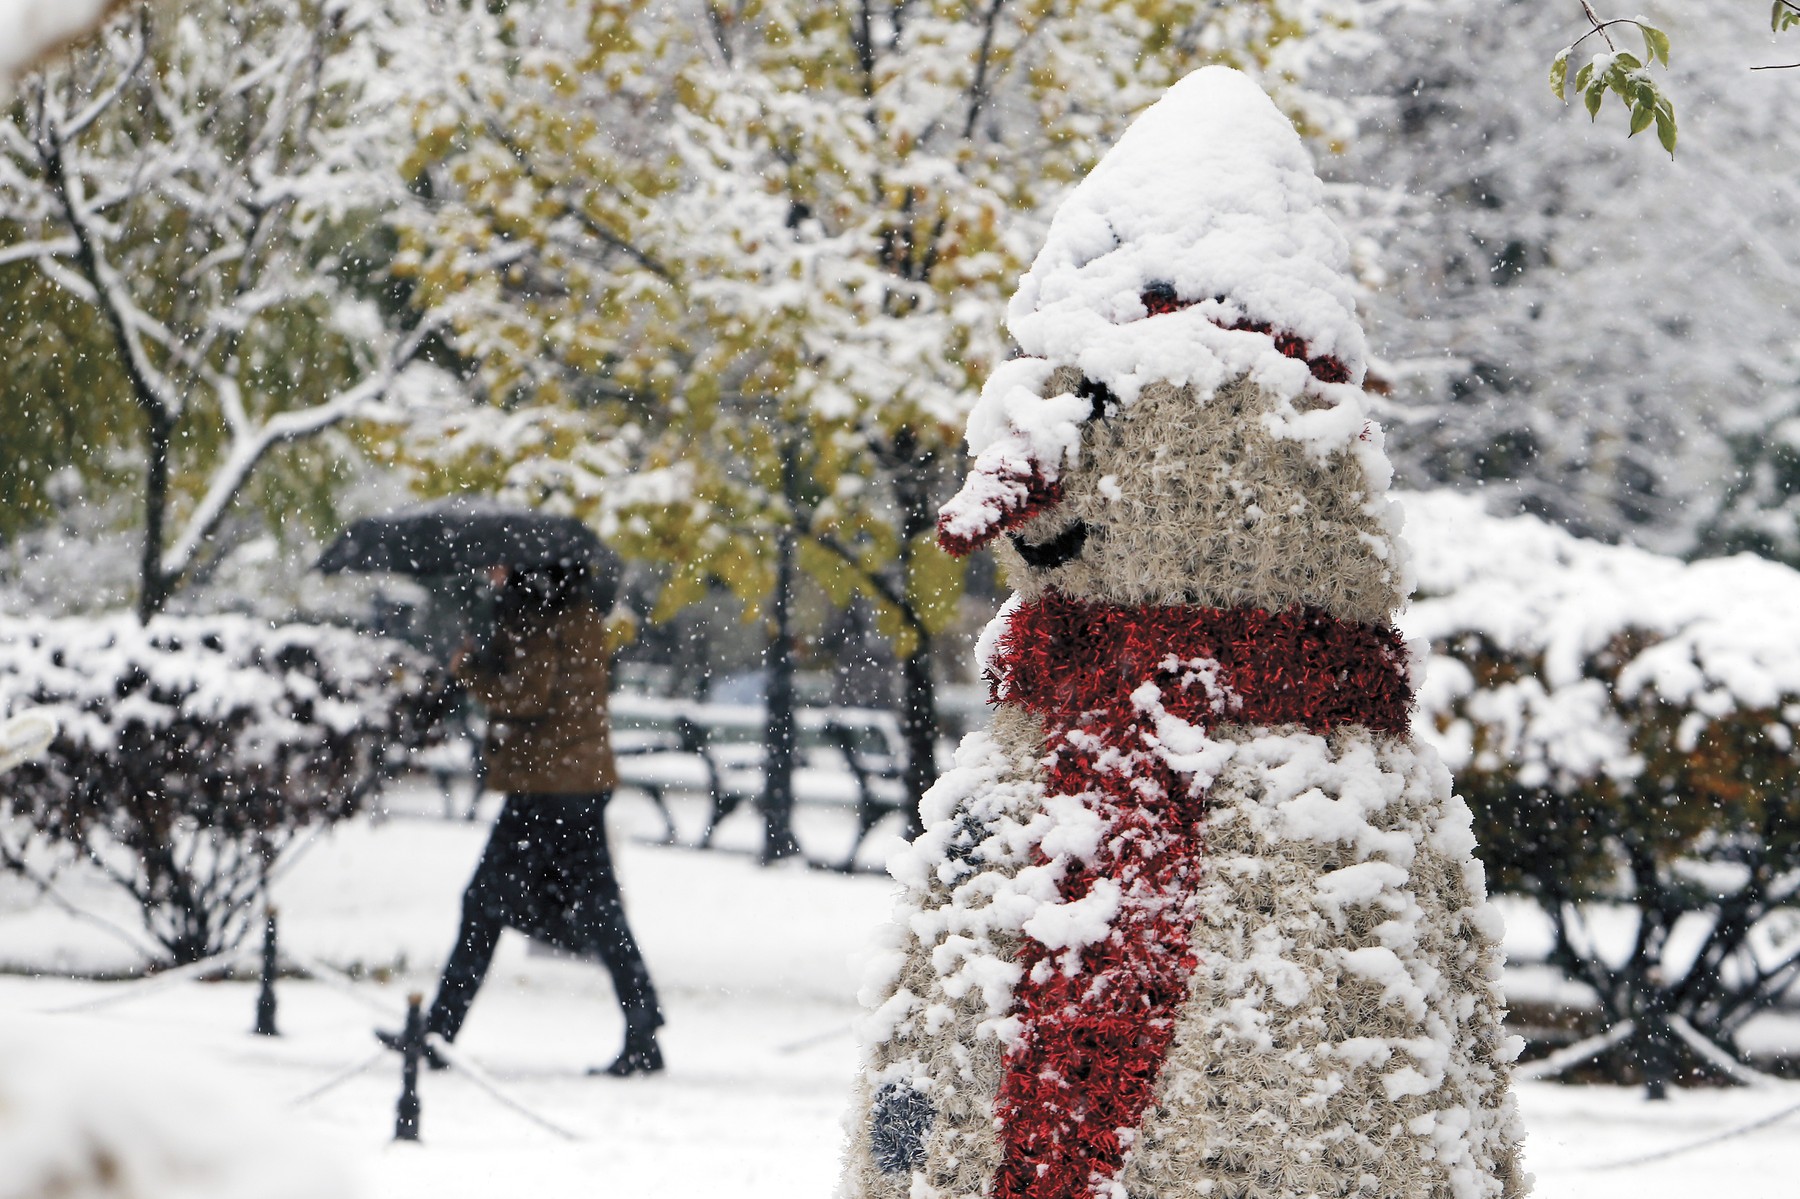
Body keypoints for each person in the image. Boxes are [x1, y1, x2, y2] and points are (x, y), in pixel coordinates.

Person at [380, 562, 664, 1076]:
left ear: (523, 568)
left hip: (548, 786)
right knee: (593, 908)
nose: (488, 574)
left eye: (498, 567)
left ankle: (441, 1032)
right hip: (574, 780)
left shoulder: (536, 615)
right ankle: (642, 1024)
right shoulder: (575, 610)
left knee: (487, 903)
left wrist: (472, 672)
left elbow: (528, 695)